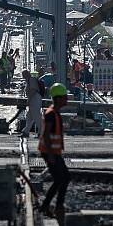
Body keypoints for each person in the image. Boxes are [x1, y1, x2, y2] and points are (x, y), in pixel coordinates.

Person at [39, 83, 71, 217]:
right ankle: (52, 207)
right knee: (61, 179)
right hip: (49, 152)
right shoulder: (51, 113)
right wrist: (51, 155)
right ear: (58, 98)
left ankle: (52, 206)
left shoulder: (55, 112)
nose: (67, 100)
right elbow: (46, 134)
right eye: (64, 97)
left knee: (64, 178)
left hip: (53, 151)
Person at [21, 70, 42, 138]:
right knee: (29, 117)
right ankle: (26, 131)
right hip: (33, 98)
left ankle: (42, 132)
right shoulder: (29, 80)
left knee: (36, 116)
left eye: (23, 74)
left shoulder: (32, 80)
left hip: (35, 98)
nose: (23, 76)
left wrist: (29, 99)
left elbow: (33, 90)